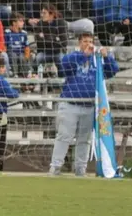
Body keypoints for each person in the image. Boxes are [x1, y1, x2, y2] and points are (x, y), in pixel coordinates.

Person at [49, 33, 118, 176]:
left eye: (90, 41)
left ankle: (81, 168)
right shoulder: (73, 56)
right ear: (79, 43)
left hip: (90, 105)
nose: (88, 44)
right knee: (64, 136)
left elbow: (112, 71)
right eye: (85, 41)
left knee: (85, 139)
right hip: (70, 103)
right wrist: (83, 55)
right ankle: (55, 166)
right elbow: (64, 66)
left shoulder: (97, 59)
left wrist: (107, 57)